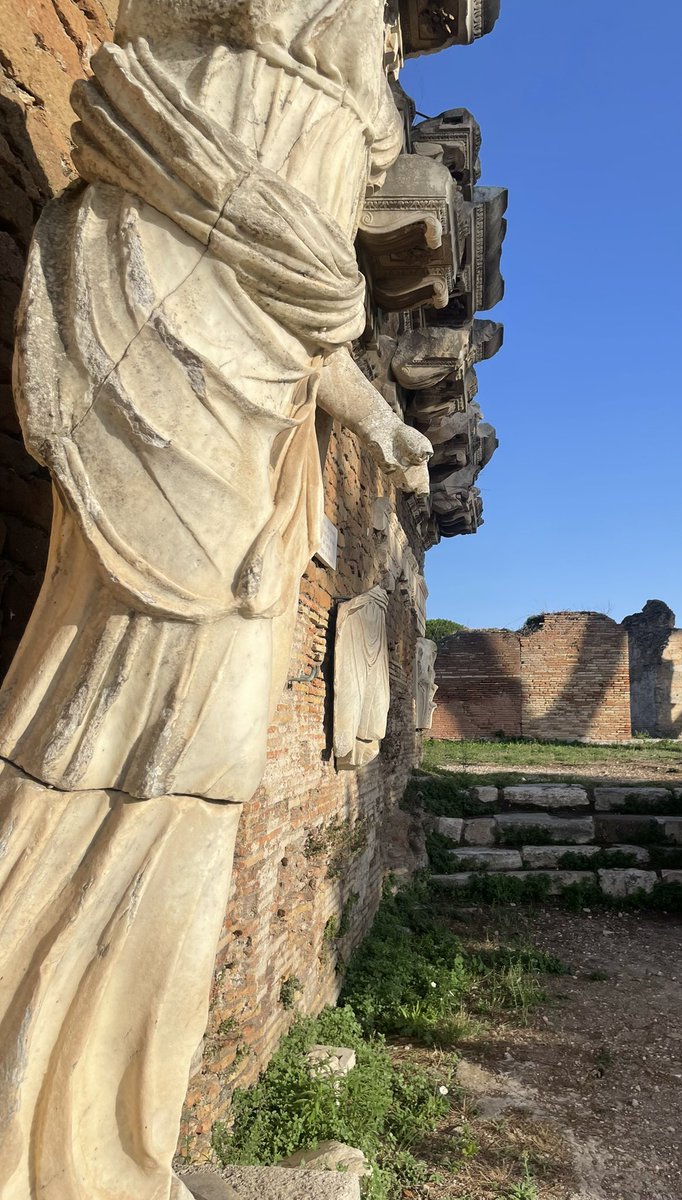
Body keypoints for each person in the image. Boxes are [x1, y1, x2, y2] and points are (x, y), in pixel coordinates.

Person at [0, 3, 429, 1196]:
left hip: (249, 478)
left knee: (205, 780)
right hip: (173, 447)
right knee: (98, 746)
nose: (394, 45)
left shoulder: (330, 114)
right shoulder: (205, 83)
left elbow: (301, 313)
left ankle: (105, 1138)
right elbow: (255, 267)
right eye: (383, 31)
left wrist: (384, 418)